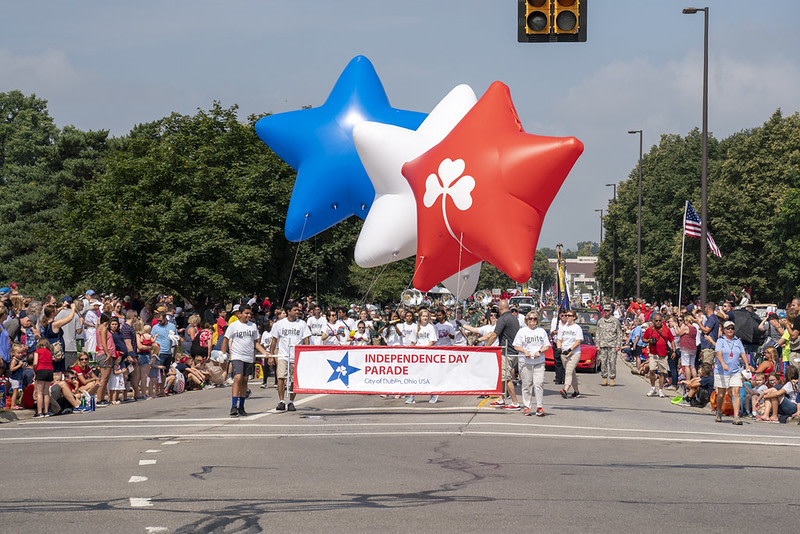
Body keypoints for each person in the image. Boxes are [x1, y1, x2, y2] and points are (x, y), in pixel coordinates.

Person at [222, 304, 269, 416]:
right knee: (237, 378)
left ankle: (241, 406)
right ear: (240, 314)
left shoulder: (252, 326)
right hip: (237, 356)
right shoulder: (233, 326)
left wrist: (264, 352)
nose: (248, 315)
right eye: (246, 313)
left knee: (244, 380)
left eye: (249, 313)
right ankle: (234, 406)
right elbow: (225, 340)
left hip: (248, 357)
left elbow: (256, 343)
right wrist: (223, 354)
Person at [269, 301, 310, 412]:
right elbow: (274, 340)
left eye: (298, 310)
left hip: (296, 356)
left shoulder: (302, 324)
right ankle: (281, 401)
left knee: (293, 380)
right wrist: (271, 355)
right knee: (281, 377)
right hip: (283, 355)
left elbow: (306, 339)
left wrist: (306, 353)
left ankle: (291, 401)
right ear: (288, 311)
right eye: (295, 310)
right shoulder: (279, 324)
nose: (297, 312)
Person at [485, 300, 522, 410]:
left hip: (507, 352)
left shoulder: (503, 319)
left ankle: (515, 402)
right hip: (514, 351)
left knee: (506, 377)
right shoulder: (514, 318)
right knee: (502, 375)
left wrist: (486, 347)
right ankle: (501, 399)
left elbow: (495, 334)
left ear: (500, 309)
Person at [512, 311, 551, 416]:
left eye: (534, 319)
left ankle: (539, 407)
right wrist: (525, 351)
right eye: (530, 318)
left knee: (538, 384)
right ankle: (527, 407)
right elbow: (516, 345)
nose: (532, 321)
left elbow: (547, 345)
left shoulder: (541, 331)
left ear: (537, 320)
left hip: (539, 361)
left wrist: (540, 351)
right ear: (527, 320)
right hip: (525, 361)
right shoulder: (522, 331)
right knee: (527, 384)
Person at [714, 320, 752, 425]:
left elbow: (743, 353)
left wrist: (747, 365)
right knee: (721, 394)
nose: (730, 330)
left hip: (735, 370)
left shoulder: (737, 341)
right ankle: (719, 411)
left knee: (736, 393)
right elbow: (719, 353)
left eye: (732, 328)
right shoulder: (720, 341)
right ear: (724, 330)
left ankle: (736, 417)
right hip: (722, 371)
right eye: (728, 328)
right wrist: (723, 364)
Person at [406, 309, 438, 405]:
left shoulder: (430, 328)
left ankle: (433, 394)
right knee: (414, 375)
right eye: (423, 316)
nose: (425, 318)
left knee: (428, 375)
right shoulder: (416, 328)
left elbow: (432, 341)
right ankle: (411, 396)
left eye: (426, 316)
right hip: (417, 355)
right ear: (420, 317)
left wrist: (425, 350)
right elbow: (413, 342)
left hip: (428, 354)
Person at [642, 313, 676, 398]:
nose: (658, 322)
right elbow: (643, 339)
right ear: (653, 321)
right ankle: (653, 388)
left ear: (662, 321)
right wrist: (649, 341)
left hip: (663, 354)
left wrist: (674, 351)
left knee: (662, 372)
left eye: (659, 320)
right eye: (656, 321)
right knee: (652, 370)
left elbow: (672, 340)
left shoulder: (666, 330)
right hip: (653, 354)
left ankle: (660, 390)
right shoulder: (650, 329)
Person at [556, 310, 583, 399]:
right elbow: (559, 339)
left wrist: (570, 350)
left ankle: (565, 389)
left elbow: (578, 341)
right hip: (564, 353)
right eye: (566, 315)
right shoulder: (563, 328)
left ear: (574, 317)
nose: (567, 317)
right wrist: (559, 348)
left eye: (569, 315)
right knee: (572, 372)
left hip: (574, 353)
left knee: (568, 371)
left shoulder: (577, 328)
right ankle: (576, 391)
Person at [595, 304, 623, 387]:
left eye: (607, 311)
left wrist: (618, 345)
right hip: (603, 344)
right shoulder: (600, 321)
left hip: (612, 345)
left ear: (610, 311)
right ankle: (604, 378)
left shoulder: (615, 321)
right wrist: (598, 345)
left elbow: (619, 333)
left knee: (612, 362)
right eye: (605, 311)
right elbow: (598, 334)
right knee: (603, 362)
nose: (606, 312)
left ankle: (612, 378)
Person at [32, 339, 54, 417]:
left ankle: (39, 412)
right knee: (46, 392)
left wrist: (34, 370)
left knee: (40, 392)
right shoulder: (49, 352)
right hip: (50, 370)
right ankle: (46, 411)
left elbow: (35, 363)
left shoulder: (37, 351)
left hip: (41, 369)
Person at [695, 301, 720, 367]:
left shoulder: (712, 318)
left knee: (706, 367)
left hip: (709, 347)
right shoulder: (712, 318)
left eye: (704, 307)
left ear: (707, 308)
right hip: (707, 346)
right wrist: (701, 324)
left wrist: (698, 323)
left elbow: (706, 331)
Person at [676, 313, 698, 381]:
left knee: (686, 366)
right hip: (693, 348)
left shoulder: (686, 328)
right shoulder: (694, 328)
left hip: (686, 348)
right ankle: (695, 380)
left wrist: (675, 327)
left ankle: (688, 381)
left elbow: (678, 333)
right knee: (692, 366)